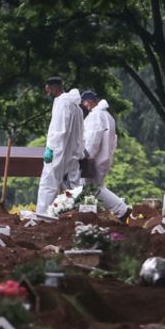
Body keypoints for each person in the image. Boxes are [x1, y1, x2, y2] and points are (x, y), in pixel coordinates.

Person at [80, 90, 131, 221]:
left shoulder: (96, 115)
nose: (84, 105)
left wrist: (85, 155)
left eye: (84, 102)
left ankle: (121, 209)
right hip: (103, 157)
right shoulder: (107, 115)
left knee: (94, 188)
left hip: (94, 158)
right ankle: (120, 208)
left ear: (90, 101)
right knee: (94, 187)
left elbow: (93, 138)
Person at [36, 76, 84, 213]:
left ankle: (43, 214)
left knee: (48, 183)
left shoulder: (63, 103)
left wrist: (50, 148)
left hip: (59, 151)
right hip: (72, 152)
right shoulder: (74, 105)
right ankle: (75, 214)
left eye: (48, 90)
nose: (47, 93)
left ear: (54, 88)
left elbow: (58, 129)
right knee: (73, 186)